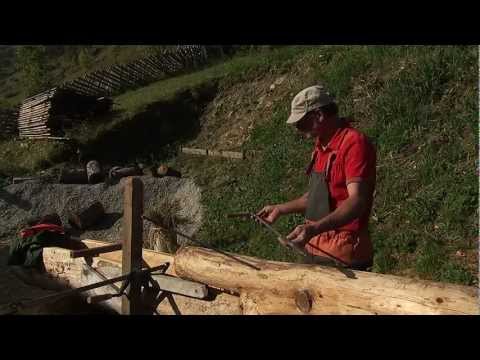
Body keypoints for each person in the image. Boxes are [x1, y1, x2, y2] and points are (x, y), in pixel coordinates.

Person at [257, 85, 377, 270]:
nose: (298, 129)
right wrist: (280, 209)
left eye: (301, 123)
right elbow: (318, 198)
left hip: (344, 255)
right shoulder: (321, 146)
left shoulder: (354, 143)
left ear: (319, 115)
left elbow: (357, 201)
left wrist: (314, 229)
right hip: (315, 247)